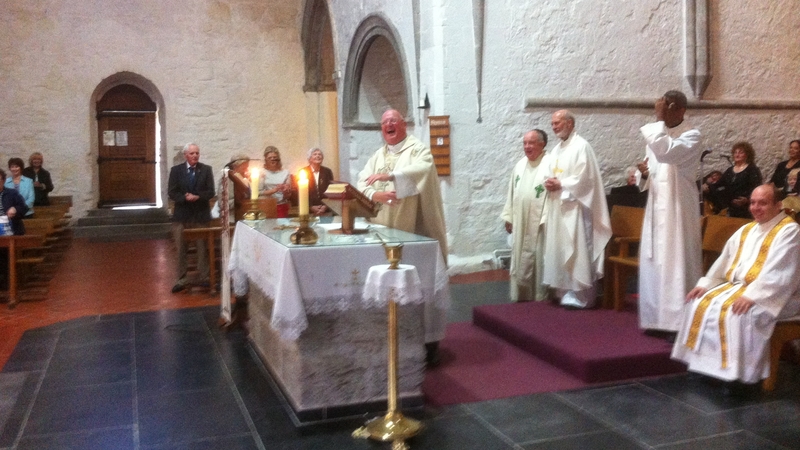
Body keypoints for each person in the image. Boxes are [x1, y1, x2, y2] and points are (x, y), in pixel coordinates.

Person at [672, 184, 800, 392]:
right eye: (753, 202)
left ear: (778, 205)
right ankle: (707, 368)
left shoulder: (789, 231)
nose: (756, 208)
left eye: (763, 203)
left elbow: (782, 273)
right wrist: (706, 284)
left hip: (780, 296)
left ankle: (738, 376)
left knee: (740, 313)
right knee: (697, 302)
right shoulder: (747, 229)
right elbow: (723, 261)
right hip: (741, 287)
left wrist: (753, 296)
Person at [357, 108, 448, 365]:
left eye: (393, 121)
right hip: (382, 230)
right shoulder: (378, 155)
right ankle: (391, 340)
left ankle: (427, 342)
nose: (388, 125)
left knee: (419, 286)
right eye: (384, 122)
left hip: (414, 232)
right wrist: (375, 194)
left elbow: (423, 170)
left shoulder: (417, 149)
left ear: (403, 125)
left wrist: (392, 177)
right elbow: (362, 181)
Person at [636, 90, 703, 337]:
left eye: (668, 106)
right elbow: (651, 166)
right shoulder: (659, 134)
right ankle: (656, 319)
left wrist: (658, 119)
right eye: (663, 106)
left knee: (676, 261)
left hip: (678, 208)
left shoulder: (692, 135)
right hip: (657, 206)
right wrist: (643, 174)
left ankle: (677, 321)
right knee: (655, 262)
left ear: (681, 109)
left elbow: (668, 152)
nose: (664, 110)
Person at [540, 110, 611, 309]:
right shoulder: (557, 149)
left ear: (570, 123)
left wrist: (561, 184)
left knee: (578, 248)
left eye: (557, 123)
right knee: (561, 248)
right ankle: (564, 291)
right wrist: (549, 181)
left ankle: (582, 296)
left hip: (577, 208)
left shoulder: (582, 146)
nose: (554, 127)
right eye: (552, 124)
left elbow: (586, 179)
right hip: (559, 206)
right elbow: (548, 172)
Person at [500, 129, 549, 302]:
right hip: (520, 220)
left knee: (539, 258)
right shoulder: (520, 165)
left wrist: (546, 218)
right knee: (520, 255)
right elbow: (511, 192)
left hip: (541, 223)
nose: (527, 146)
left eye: (531, 143)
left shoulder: (550, 164)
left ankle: (539, 296)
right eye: (525, 143)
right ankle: (521, 295)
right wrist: (509, 217)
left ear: (542, 144)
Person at [168, 143, 215, 293]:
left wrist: (198, 196)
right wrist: (184, 197)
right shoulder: (176, 171)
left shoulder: (206, 170)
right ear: (185, 155)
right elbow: (172, 192)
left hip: (200, 214)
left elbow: (211, 192)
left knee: (202, 247)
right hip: (182, 215)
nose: (195, 156)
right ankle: (182, 279)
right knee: (181, 248)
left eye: (197, 153)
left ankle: (205, 277)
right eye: (192, 153)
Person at [0, 168, 28, 292]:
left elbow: (24, 208)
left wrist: (15, 210)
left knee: (6, 254)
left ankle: (8, 285)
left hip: (11, 230)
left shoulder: (12, 193)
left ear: (3, 181)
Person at [719, 141, 762, 218]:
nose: (737, 155)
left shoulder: (752, 170)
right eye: (735, 152)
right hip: (731, 207)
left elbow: (756, 188)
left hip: (746, 208)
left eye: (741, 152)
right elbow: (720, 184)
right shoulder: (729, 170)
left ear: (747, 155)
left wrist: (746, 199)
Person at [297, 147, 334, 216]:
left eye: (320, 154)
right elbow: (299, 192)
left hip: (326, 209)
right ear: (309, 158)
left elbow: (331, 190)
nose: (318, 156)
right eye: (315, 154)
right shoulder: (303, 172)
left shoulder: (327, 172)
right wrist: (311, 207)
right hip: (309, 210)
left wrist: (325, 206)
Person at [260, 146, 292, 218]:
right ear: (266, 159)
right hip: (267, 205)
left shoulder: (285, 172)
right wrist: (274, 190)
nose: (272, 159)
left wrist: (285, 190)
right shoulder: (262, 172)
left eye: (275, 157)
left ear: (278, 159)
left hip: (282, 204)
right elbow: (259, 192)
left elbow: (289, 195)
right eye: (270, 158)